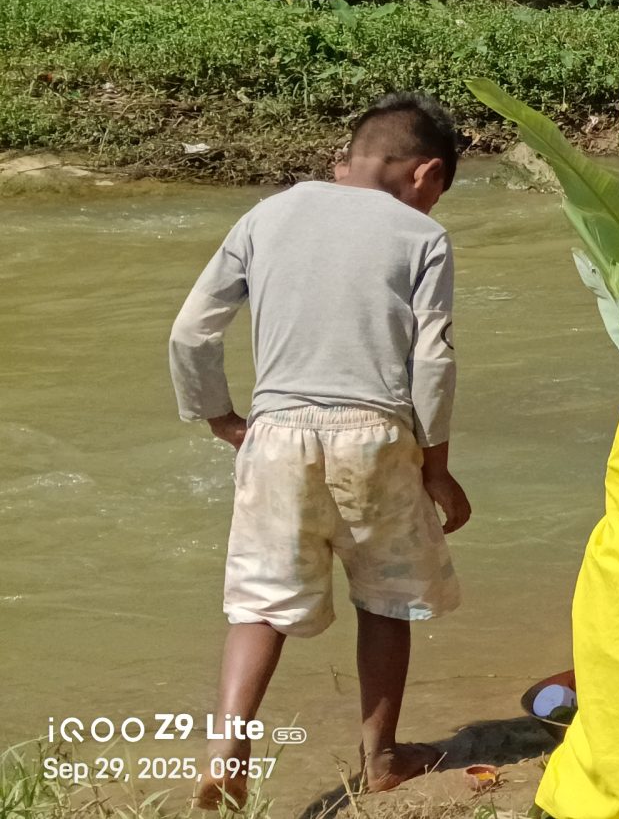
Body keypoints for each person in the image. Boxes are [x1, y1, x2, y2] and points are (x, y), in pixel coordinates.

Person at [168, 94, 472, 807]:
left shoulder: (265, 215)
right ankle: (383, 758)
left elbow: (191, 332)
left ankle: (228, 746)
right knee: (387, 599)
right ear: (426, 174)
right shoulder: (421, 238)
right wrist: (437, 466)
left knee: (259, 602)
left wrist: (220, 416)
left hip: (275, 434)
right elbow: (433, 363)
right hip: (375, 435)